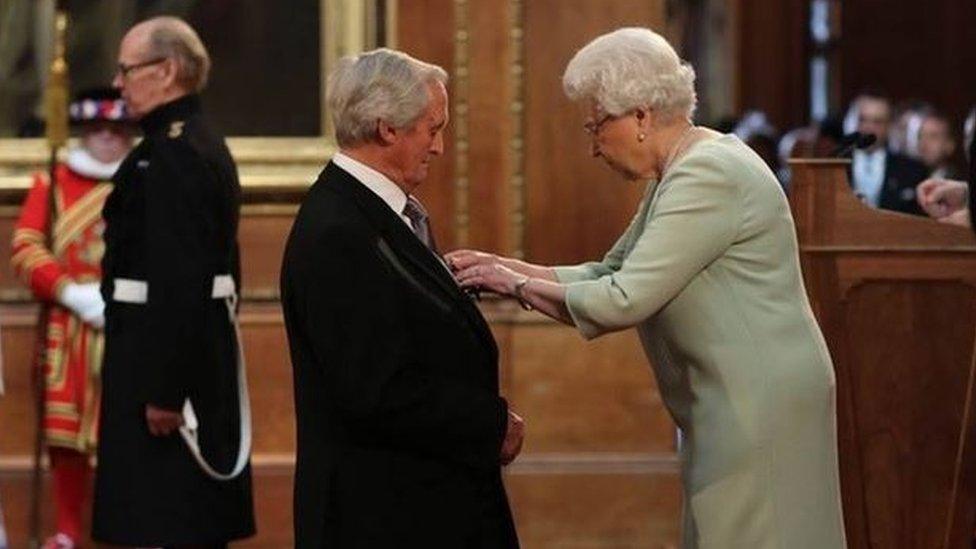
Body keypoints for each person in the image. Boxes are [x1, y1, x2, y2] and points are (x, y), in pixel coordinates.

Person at [447, 27, 846, 548]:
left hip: (758, 403)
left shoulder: (710, 173)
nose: (593, 148)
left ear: (639, 115)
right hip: (730, 397)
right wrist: (503, 268)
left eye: (595, 128)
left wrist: (514, 283)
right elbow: (606, 272)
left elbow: (623, 298)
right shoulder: (680, 172)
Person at [280, 48, 522, 548]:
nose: (438, 148)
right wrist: (489, 423)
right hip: (383, 516)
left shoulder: (375, 214)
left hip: (417, 505)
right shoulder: (339, 231)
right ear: (388, 128)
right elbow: (374, 391)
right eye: (432, 129)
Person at [92, 16, 254, 548]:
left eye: (126, 69)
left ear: (166, 71)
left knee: (174, 523)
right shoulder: (184, 144)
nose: (118, 83)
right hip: (177, 359)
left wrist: (164, 389)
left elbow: (180, 277)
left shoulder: (174, 154)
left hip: (166, 378)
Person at [9, 87, 133, 549]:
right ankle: (67, 531)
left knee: (130, 431)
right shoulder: (53, 183)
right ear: (82, 131)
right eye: (97, 129)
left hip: (131, 324)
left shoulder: (142, 180)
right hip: (70, 327)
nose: (106, 139)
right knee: (66, 434)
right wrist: (70, 292)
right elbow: (25, 247)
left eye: (117, 130)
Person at [847, 92, 928, 215]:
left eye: (877, 122)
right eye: (863, 120)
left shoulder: (912, 169)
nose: (869, 127)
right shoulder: (835, 164)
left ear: (889, 126)